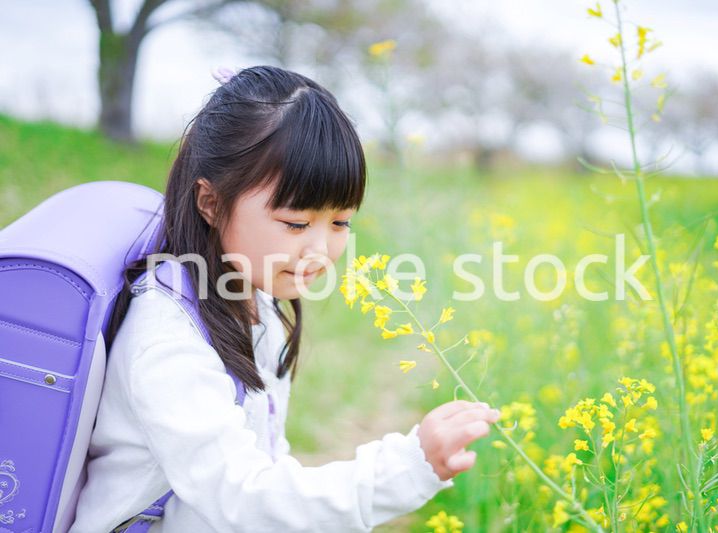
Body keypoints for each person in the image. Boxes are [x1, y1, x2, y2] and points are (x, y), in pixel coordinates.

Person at [68, 65, 500, 533]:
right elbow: (244, 499)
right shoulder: (169, 340)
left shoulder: (252, 297)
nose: (319, 252)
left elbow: (265, 462)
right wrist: (406, 469)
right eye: (296, 224)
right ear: (210, 203)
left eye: (340, 223)